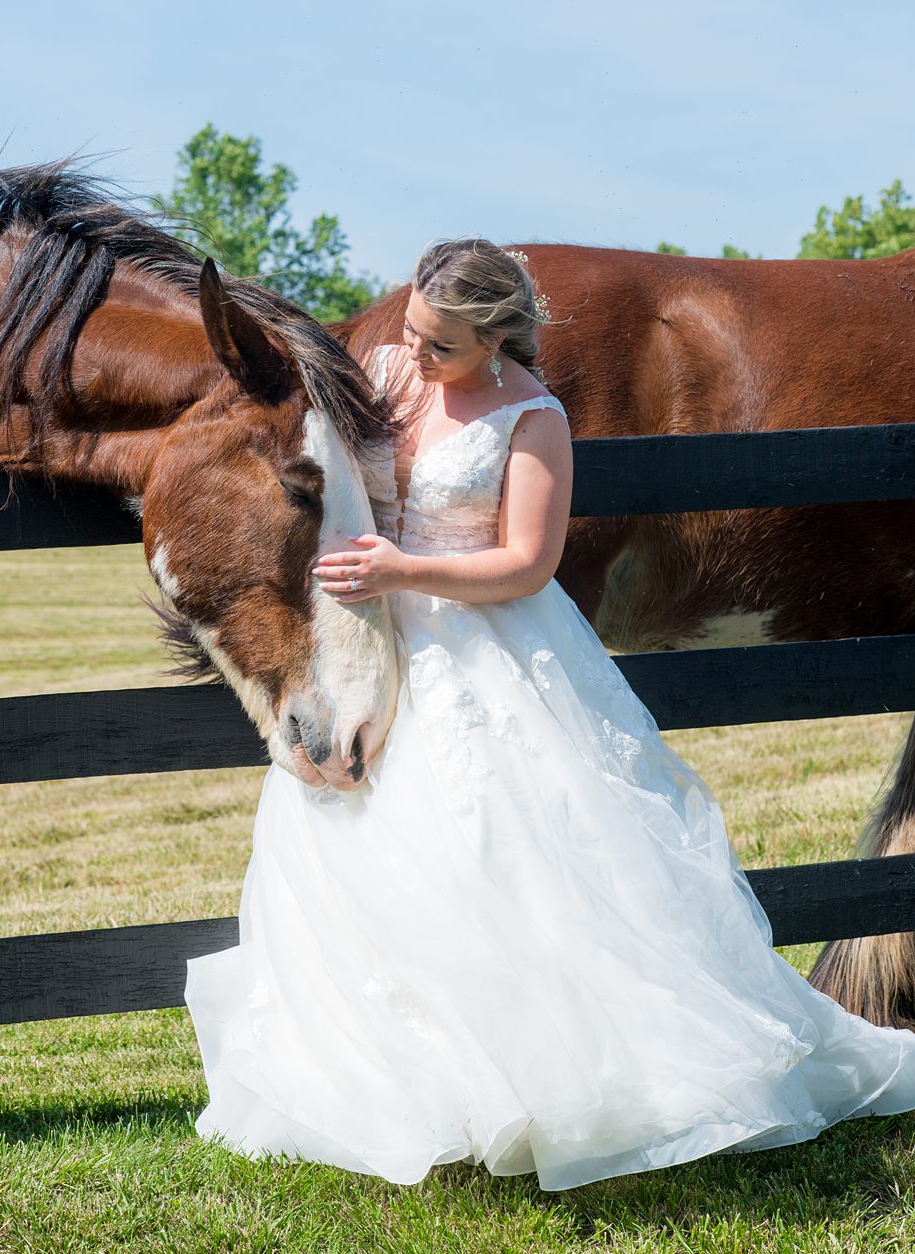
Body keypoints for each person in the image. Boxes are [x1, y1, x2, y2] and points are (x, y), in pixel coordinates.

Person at [184, 238, 915, 1192]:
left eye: (439, 343)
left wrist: (400, 569)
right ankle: (409, 1082)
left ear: (496, 341)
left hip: (488, 648)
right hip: (400, 649)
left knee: (515, 858)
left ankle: (548, 1085)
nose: (412, 353)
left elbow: (527, 562)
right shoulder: (394, 373)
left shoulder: (533, 419)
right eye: (411, 329)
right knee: (380, 861)